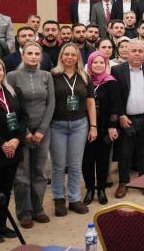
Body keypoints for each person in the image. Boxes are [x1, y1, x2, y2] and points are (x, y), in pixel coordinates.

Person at [7, 41, 55, 228]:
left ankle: (38, 209)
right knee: (22, 174)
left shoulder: (47, 76)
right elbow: (12, 106)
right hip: (21, 132)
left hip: (43, 131)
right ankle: (24, 212)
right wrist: (25, 132)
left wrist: (42, 130)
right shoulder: (12, 76)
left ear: (41, 56)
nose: (34, 56)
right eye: (30, 53)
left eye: (37, 53)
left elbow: (51, 104)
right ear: (23, 55)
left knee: (39, 172)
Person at [111, 40, 144, 199]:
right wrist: (120, 115)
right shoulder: (117, 70)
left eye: (140, 51)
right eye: (133, 51)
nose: (137, 54)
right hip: (126, 119)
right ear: (127, 53)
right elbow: (114, 96)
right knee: (124, 152)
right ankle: (123, 182)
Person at [49, 42, 96, 216]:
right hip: (57, 125)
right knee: (58, 165)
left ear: (78, 58)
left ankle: (74, 199)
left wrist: (93, 126)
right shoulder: (52, 75)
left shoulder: (84, 76)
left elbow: (90, 103)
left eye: (73, 55)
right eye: (66, 54)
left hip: (79, 125)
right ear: (61, 56)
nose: (69, 57)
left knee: (75, 165)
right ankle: (59, 199)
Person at [81, 51, 120, 206]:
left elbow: (116, 107)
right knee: (87, 160)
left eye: (101, 62)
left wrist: (112, 126)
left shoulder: (111, 82)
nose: (98, 65)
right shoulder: (84, 81)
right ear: (90, 64)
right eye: (95, 62)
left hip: (105, 127)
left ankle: (101, 189)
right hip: (85, 126)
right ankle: (90, 189)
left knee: (103, 160)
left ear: (106, 64)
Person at [0, 57, 27, 243]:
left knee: (6, 190)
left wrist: (16, 140)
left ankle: (1, 225)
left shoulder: (13, 91)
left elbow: (24, 117)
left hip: (13, 149)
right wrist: (2, 144)